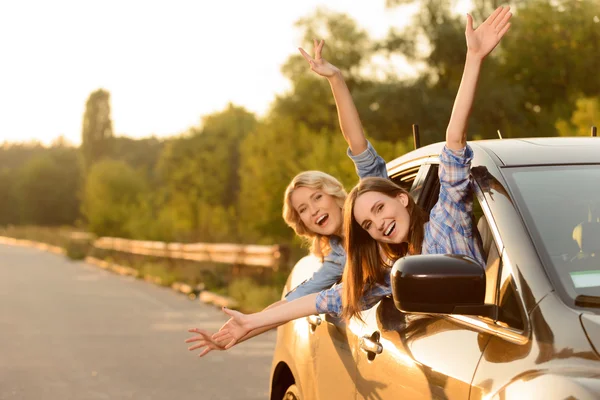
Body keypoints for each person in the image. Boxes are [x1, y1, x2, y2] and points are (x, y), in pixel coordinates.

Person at [206, 6, 512, 350]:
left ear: (399, 196)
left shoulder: (443, 219)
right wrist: (250, 323)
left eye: (379, 209)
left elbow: (450, 142)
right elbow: (318, 300)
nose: (377, 223)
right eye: (367, 223)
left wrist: (473, 59)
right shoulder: (375, 268)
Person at [186, 39, 388, 356]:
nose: (313, 210)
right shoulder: (337, 257)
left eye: (317, 197)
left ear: (336, 194)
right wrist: (244, 329)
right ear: (304, 224)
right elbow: (290, 303)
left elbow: (356, 142)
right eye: (303, 210)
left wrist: (335, 79)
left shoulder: (372, 202)